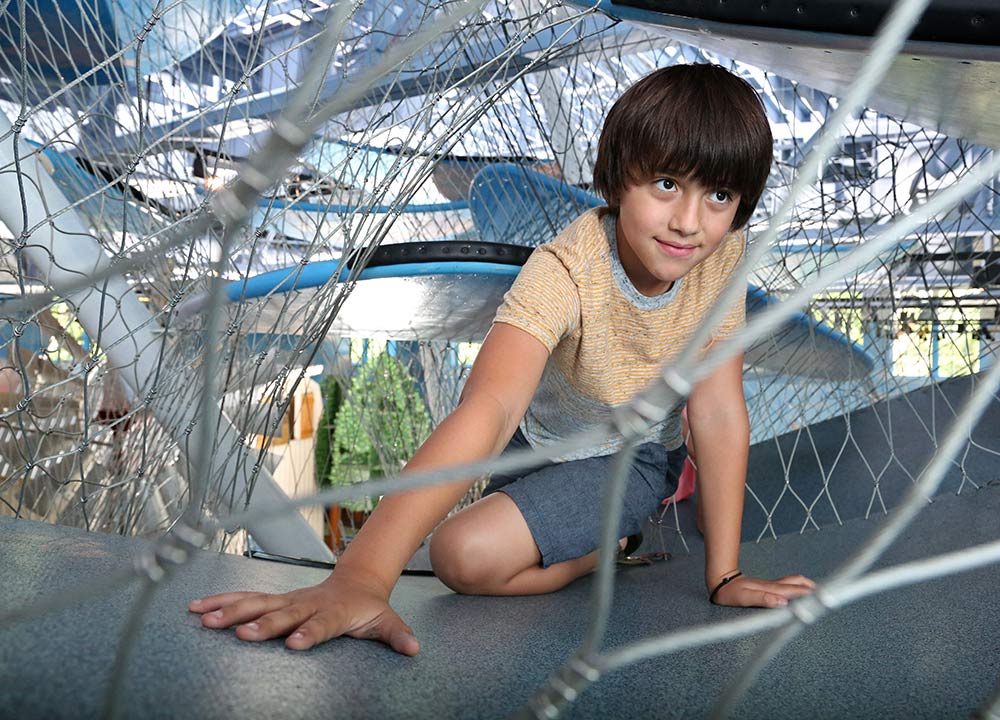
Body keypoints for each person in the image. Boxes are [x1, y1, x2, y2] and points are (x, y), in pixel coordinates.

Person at [189, 63, 815, 656]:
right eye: (668, 184)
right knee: (466, 543)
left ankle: (609, 537)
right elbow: (490, 409)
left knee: (462, 555)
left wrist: (724, 575)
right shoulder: (564, 271)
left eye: (720, 195)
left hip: (630, 456)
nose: (688, 222)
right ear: (622, 175)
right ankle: (607, 541)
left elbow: (718, 412)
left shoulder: (723, 260)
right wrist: (361, 575)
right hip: (535, 440)